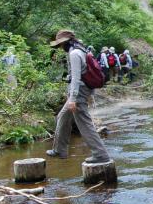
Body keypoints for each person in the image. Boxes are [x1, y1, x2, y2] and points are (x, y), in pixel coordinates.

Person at [46, 30, 111, 163]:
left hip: (78, 92)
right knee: (62, 116)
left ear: (66, 42)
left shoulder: (74, 53)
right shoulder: (80, 49)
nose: (60, 47)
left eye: (60, 44)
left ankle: (100, 155)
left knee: (85, 124)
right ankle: (59, 150)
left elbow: (76, 78)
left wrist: (73, 99)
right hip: (82, 91)